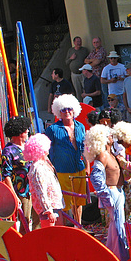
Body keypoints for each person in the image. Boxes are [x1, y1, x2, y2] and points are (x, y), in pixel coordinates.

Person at [84, 125, 129, 261]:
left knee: (115, 227)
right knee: (117, 226)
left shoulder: (112, 154)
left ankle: (111, 254)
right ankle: (121, 257)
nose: (111, 136)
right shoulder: (103, 155)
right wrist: (106, 196)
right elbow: (96, 177)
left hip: (118, 192)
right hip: (112, 192)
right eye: (108, 134)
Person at [45, 94, 87, 225]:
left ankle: (78, 226)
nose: (67, 112)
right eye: (63, 110)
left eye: (69, 108)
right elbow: (45, 150)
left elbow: (84, 149)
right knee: (63, 201)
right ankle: (64, 228)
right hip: (62, 170)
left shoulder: (81, 127)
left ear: (74, 110)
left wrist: (87, 168)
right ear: (59, 112)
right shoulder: (52, 129)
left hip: (79, 168)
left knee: (79, 201)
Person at [1, 116, 35, 232]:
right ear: (19, 133)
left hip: (34, 187)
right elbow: (6, 175)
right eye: (26, 131)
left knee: (37, 219)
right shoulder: (8, 151)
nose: (28, 133)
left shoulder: (27, 146)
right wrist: (14, 195)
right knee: (25, 221)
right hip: (22, 191)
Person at [24, 134, 64, 228]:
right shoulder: (38, 168)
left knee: (58, 235)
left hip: (53, 206)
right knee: (50, 237)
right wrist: (48, 210)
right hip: (48, 209)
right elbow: (40, 191)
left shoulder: (44, 163)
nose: (47, 151)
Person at [85, 36, 108, 106]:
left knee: (104, 93)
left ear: (100, 42)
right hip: (94, 77)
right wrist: (93, 60)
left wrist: (90, 62)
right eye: (94, 42)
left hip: (102, 76)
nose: (96, 44)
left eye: (97, 42)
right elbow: (85, 60)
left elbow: (97, 62)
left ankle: (106, 107)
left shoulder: (102, 51)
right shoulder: (93, 51)